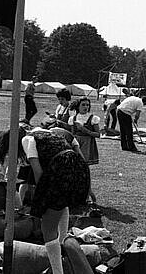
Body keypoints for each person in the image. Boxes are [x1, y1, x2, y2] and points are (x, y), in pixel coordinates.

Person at [16, 128, 89, 274]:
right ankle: (62, 249)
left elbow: (37, 172)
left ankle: (57, 271)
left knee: (48, 228)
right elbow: (79, 158)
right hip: (78, 168)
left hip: (61, 169)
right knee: (61, 205)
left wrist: (41, 197)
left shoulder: (28, 140)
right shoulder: (52, 135)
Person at [69, 97, 100, 203]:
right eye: (83, 105)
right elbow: (72, 134)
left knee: (84, 169)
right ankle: (75, 194)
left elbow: (98, 134)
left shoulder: (93, 118)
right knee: (74, 169)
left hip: (87, 143)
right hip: (76, 143)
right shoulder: (73, 118)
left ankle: (87, 194)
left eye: (87, 105)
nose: (86, 107)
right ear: (78, 106)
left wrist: (84, 129)